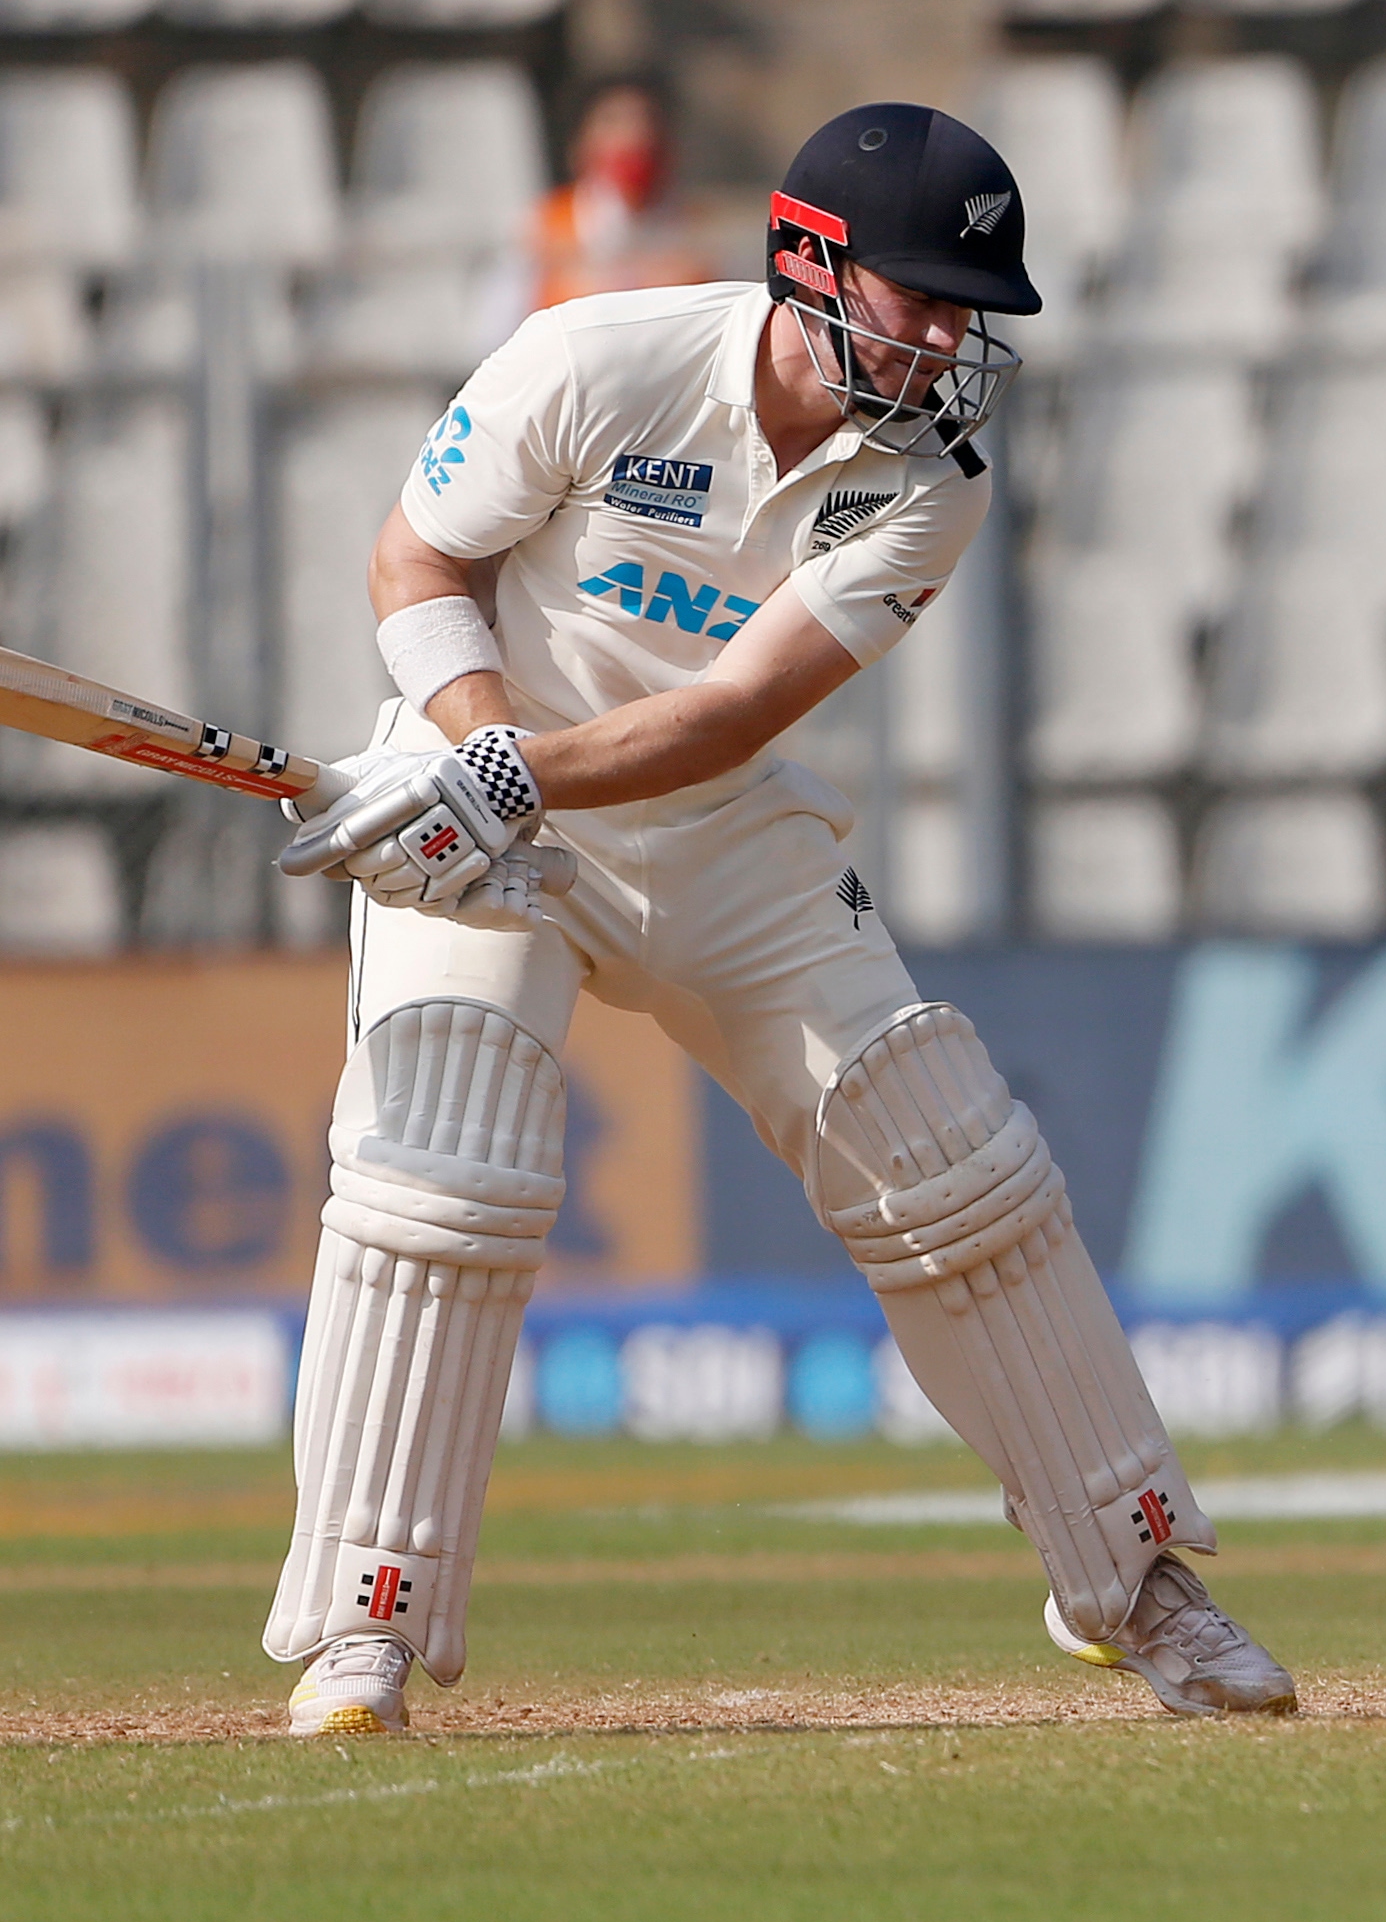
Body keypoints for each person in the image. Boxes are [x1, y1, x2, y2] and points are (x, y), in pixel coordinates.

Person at [260, 104, 1293, 1735]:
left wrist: (521, 774)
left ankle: (1141, 1578)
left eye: (970, 309)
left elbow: (734, 711)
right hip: (483, 790)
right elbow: (414, 562)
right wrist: (475, 751)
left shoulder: (931, 475)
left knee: (946, 1148)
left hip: (702, 825)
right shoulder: (592, 357)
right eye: (923, 296)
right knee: (441, 1156)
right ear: (810, 264)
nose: (953, 336)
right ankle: (363, 1621)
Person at [523, 78, 716, 313]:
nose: (634, 136)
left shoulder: (702, 230)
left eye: (648, 122)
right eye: (612, 122)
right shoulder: (543, 228)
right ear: (581, 143)